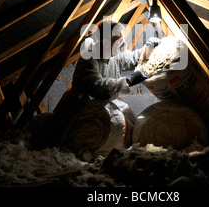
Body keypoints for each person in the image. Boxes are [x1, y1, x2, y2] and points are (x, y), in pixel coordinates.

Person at [37, 21, 160, 149]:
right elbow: (99, 87)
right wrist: (128, 81)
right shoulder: (89, 58)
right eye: (118, 42)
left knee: (126, 114)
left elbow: (133, 57)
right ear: (105, 43)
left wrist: (149, 49)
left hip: (100, 111)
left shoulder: (115, 56)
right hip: (78, 110)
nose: (122, 45)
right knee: (59, 146)